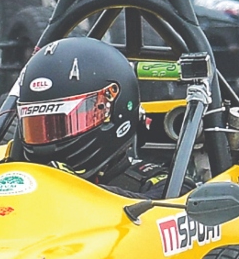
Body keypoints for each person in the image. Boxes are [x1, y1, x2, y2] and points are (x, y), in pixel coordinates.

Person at [15, 36, 186, 198]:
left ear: (112, 113)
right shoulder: (16, 178)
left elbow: (173, 205)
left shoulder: (164, 186)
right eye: (37, 128)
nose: (49, 140)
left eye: (63, 125)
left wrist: (68, 188)